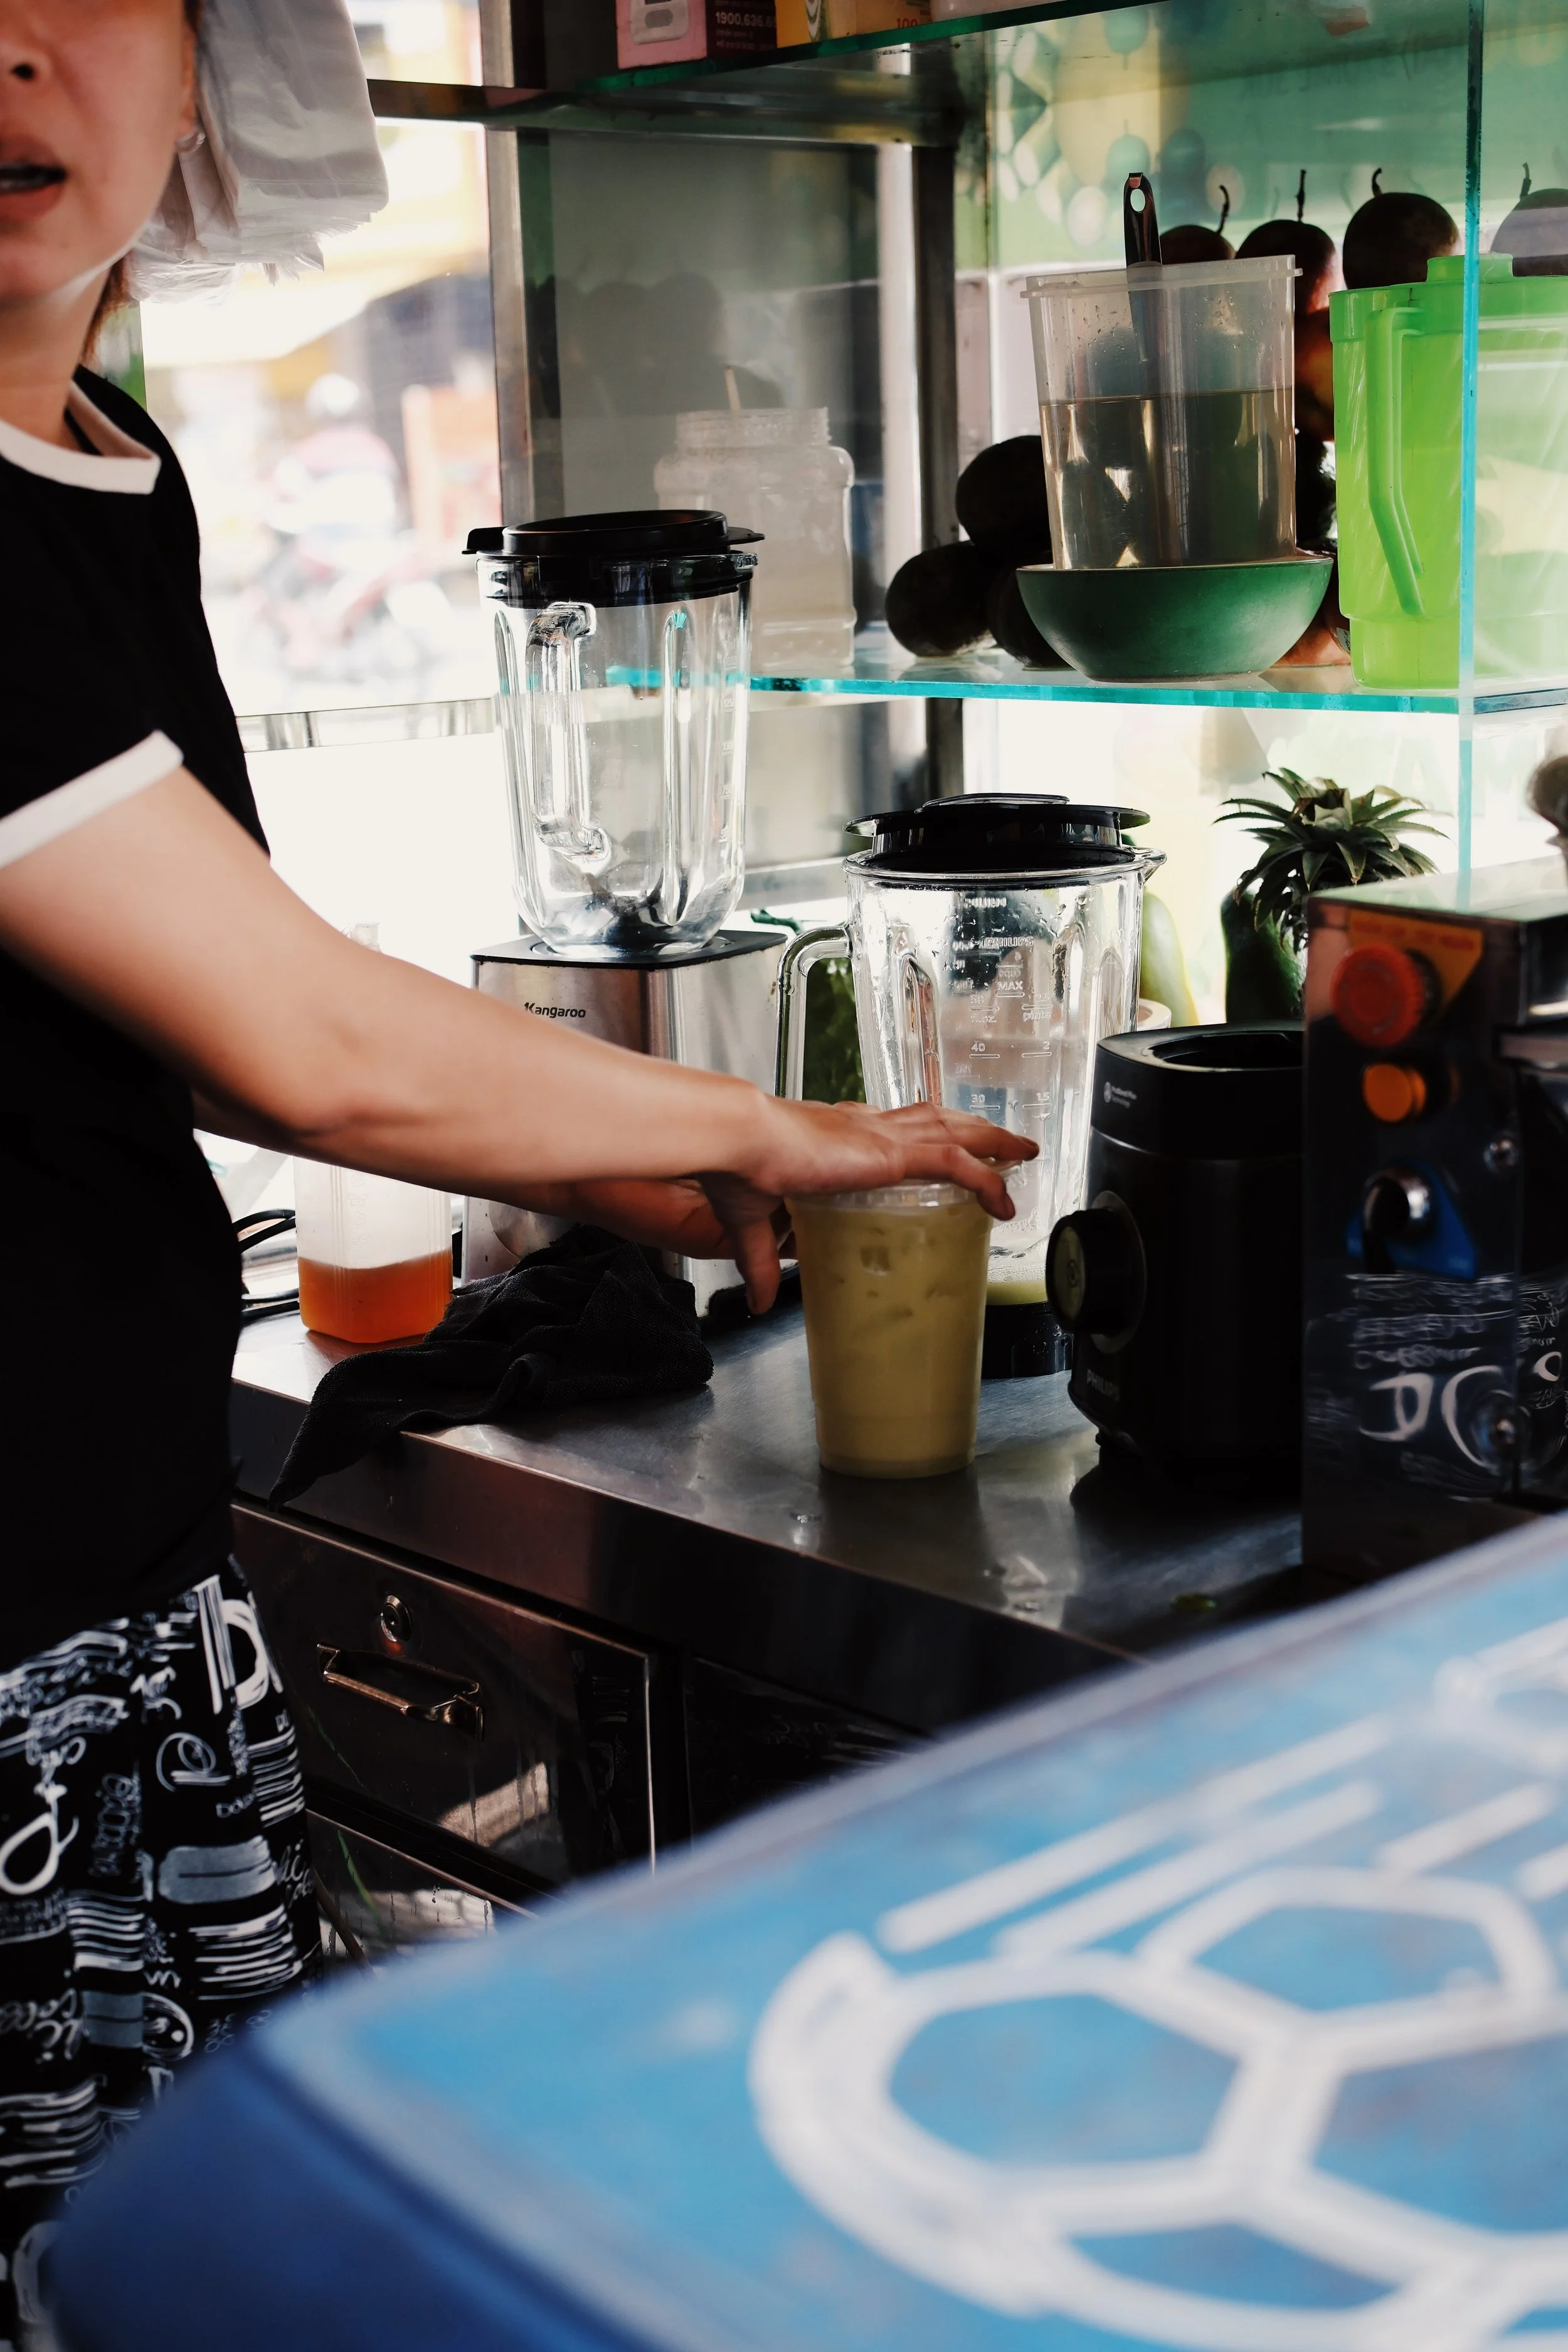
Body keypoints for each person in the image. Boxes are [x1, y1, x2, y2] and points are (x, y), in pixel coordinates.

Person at [0, 0, 1031, 2314]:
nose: (7, 52)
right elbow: (307, 1037)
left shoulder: (97, 459)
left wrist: (600, 1158)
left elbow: (199, 1008)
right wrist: (771, 1120)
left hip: (110, 1592)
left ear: (215, 59)